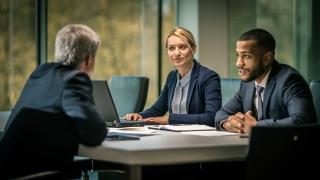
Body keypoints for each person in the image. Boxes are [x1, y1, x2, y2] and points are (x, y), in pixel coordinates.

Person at [0, 24, 107, 178]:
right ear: (89, 59)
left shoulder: (41, 71)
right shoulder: (74, 79)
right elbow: (95, 135)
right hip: (34, 173)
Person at [215, 28, 316, 134]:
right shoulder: (247, 83)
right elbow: (221, 114)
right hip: (255, 147)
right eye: (238, 56)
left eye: (246, 56)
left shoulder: (289, 80)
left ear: (267, 58)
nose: (238, 63)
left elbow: (303, 121)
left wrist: (256, 126)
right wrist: (229, 124)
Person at [124, 27, 221, 126]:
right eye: (171, 48)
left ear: (193, 49)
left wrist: (170, 119)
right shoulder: (172, 77)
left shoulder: (209, 77)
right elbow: (157, 109)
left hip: (199, 138)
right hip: (174, 135)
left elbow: (212, 116)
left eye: (182, 47)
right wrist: (139, 116)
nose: (177, 53)